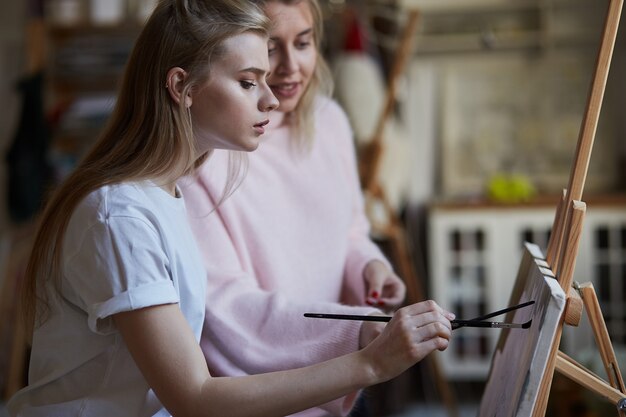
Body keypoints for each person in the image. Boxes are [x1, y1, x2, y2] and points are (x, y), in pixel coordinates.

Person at [7, 1, 454, 416]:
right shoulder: (120, 217)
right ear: (181, 86)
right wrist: (369, 364)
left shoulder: (163, 196)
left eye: (300, 45)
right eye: (247, 82)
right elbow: (194, 397)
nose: (271, 98)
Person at [181, 1, 413, 416]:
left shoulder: (330, 122)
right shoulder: (205, 157)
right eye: (270, 48)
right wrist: (356, 328)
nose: (290, 67)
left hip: (345, 380)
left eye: (303, 43)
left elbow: (351, 231)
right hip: (261, 398)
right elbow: (226, 308)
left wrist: (367, 268)